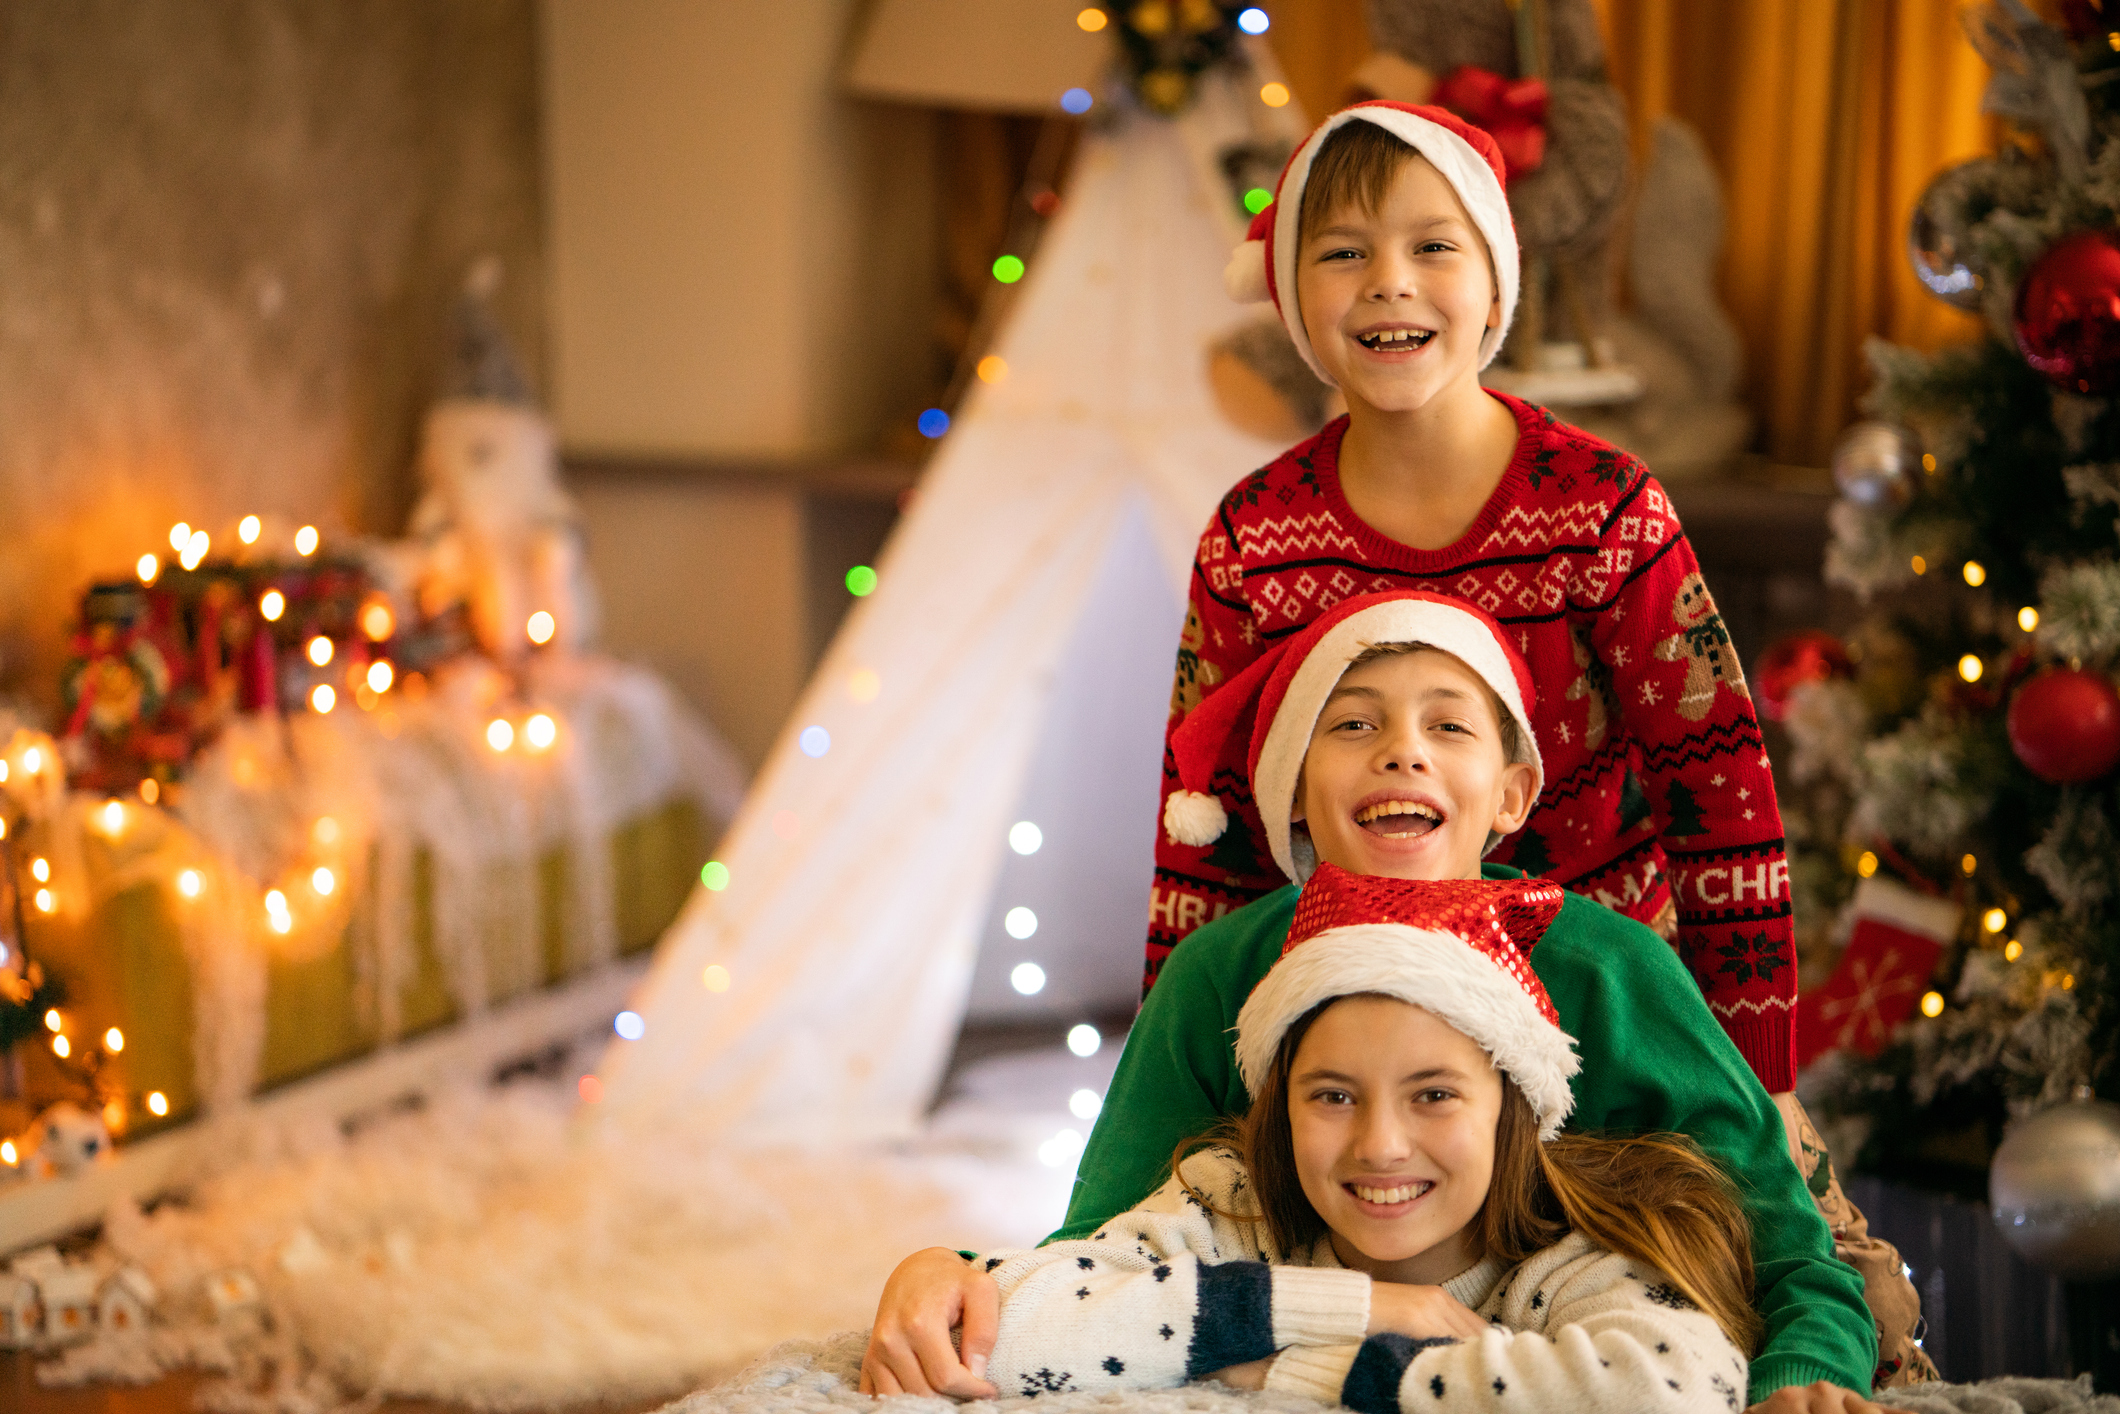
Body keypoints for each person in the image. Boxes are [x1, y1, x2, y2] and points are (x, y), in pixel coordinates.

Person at [1151, 97, 1930, 1387]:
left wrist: (1756, 1073)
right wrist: (1190, 1088)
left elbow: (1719, 786)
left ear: (1495, 278)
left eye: (1431, 247)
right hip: (1362, 1021)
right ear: (1289, 292)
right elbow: (1205, 826)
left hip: (1601, 1010)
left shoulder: (1605, 507)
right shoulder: (1252, 536)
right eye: (1341, 251)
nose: (1388, 284)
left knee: (1777, 1297)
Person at [861, 591, 1887, 1413]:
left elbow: (1780, 1245)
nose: (1402, 750)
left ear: (1510, 792)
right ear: (1292, 790)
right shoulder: (1221, 974)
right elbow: (1105, 1245)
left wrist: (1801, 1369)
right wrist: (952, 1272)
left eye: (1447, 725)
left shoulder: (1613, 969)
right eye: (1350, 725)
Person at [974, 863, 1757, 1413]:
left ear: (1511, 1112)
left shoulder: (1568, 1265)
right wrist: (1359, 1304)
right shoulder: (1229, 1205)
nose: (1381, 1144)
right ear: (1281, 1110)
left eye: (1435, 1095)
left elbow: (1673, 1389)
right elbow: (1005, 1326)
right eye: (1334, 1096)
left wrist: (1303, 1367)